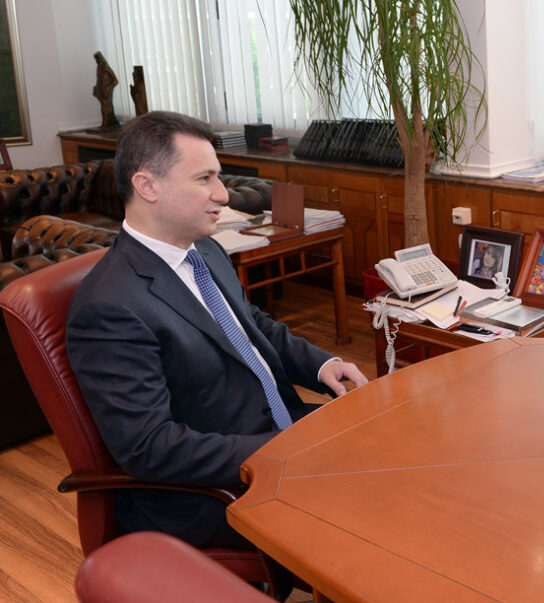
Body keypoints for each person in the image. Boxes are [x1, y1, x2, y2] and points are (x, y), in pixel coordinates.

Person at [66, 111, 368, 549]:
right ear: (147, 186)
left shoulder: (204, 249)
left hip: (281, 433)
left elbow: (252, 324)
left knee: (394, 460)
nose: (223, 194)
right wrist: (280, 451)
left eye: (219, 177)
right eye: (204, 178)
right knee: (376, 519)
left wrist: (321, 365)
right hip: (216, 492)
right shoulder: (108, 306)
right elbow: (151, 447)